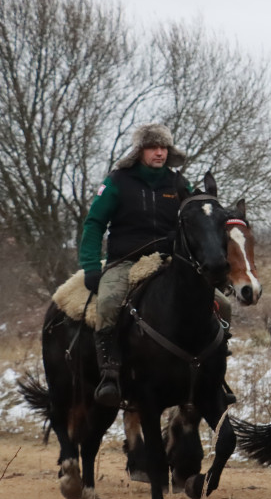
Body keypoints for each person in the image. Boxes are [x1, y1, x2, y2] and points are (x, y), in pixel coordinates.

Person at [80, 123, 234, 408]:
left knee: (223, 304)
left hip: (169, 261)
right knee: (109, 302)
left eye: (164, 148)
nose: (160, 153)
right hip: (125, 262)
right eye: (154, 148)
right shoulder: (117, 181)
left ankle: (215, 375)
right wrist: (90, 265)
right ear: (141, 151)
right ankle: (110, 372)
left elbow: (197, 216)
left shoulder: (177, 183)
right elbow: (94, 224)